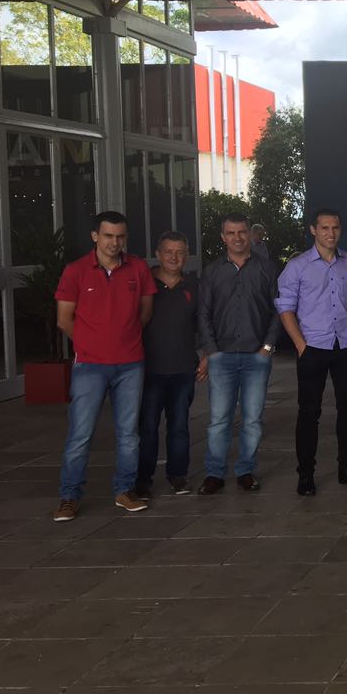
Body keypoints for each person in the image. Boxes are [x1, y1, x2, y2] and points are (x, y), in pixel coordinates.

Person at [52, 211, 156, 521]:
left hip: (130, 364)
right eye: (108, 235)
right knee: (80, 434)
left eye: (120, 236)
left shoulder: (138, 268)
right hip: (90, 366)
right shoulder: (76, 271)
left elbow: (145, 313)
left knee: (128, 434)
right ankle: (69, 497)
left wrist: (123, 340)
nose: (114, 242)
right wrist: (91, 344)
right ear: (95, 236)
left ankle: (125, 491)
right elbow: (64, 319)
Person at [276, 208, 347, 496]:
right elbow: (285, 307)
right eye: (325, 228)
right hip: (313, 347)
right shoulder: (298, 266)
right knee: (309, 412)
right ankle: (306, 475)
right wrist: (300, 345)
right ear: (313, 230)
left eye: (335, 227)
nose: (331, 233)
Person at [199, 212, 280, 495]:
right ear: (223, 237)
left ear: (249, 234)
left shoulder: (267, 269)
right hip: (222, 357)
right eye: (231, 233)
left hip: (256, 356)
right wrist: (212, 351)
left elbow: (278, 310)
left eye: (242, 232)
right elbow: (203, 313)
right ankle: (214, 473)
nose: (237, 237)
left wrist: (267, 347)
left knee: (252, 419)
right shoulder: (212, 271)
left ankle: (246, 470)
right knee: (219, 420)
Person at [135, 231, 206, 499]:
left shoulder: (194, 286)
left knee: (179, 426)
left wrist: (207, 355)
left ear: (186, 256)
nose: (174, 257)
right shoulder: (144, 284)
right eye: (168, 251)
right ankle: (143, 479)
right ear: (158, 254)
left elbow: (204, 323)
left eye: (180, 252)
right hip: (149, 370)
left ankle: (178, 475)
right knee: (147, 427)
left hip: (183, 369)